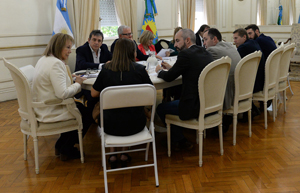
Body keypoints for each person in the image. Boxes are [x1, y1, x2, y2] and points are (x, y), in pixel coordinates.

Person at [91, 38, 153, 169]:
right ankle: (124, 153)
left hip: (109, 125)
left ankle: (113, 154)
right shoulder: (140, 70)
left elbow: (93, 94)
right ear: (133, 52)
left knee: (113, 112)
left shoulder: (106, 70)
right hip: (136, 124)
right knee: (128, 111)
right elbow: (151, 93)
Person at [32, 33, 94, 161]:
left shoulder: (44, 59)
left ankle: (61, 145)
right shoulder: (56, 64)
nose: (70, 52)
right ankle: (67, 148)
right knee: (88, 112)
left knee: (81, 107)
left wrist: (70, 78)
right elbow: (63, 94)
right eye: (68, 48)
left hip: (43, 105)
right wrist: (78, 84)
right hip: (53, 108)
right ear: (59, 46)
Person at [155, 28, 213, 151]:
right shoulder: (204, 51)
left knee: (160, 107)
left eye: (177, 41)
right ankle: (179, 134)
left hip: (192, 106)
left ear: (187, 40)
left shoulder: (185, 54)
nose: (175, 45)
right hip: (208, 102)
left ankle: (179, 139)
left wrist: (159, 71)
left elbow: (169, 78)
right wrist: (173, 68)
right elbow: (190, 69)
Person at [203, 28, 241, 133]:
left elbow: (202, 70)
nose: (204, 43)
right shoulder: (231, 47)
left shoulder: (212, 50)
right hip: (238, 90)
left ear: (214, 39)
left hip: (226, 95)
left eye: (205, 40)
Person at [233, 28, 266, 121]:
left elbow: (235, 63)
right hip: (260, 80)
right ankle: (251, 109)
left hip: (254, 84)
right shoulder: (253, 42)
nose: (234, 41)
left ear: (244, 37)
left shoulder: (243, 48)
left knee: (232, 83)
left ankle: (231, 114)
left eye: (236, 38)